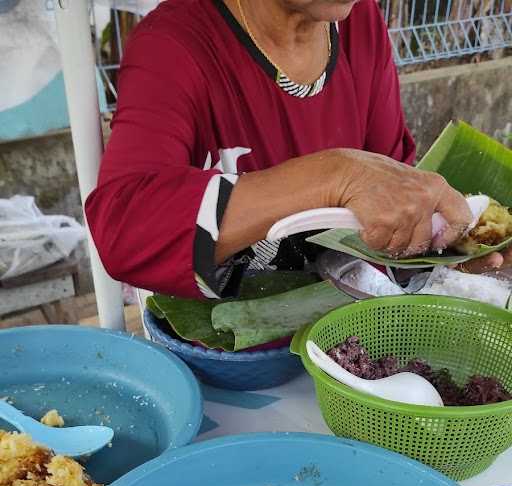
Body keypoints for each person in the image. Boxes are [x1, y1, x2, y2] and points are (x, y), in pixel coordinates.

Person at [86, 0, 511, 303]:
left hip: (346, 341)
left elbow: (389, 204)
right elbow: (125, 225)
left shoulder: (361, 22)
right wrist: (334, 174)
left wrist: (447, 252)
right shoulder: (176, 44)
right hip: (226, 358)